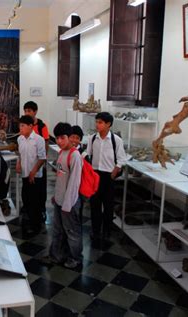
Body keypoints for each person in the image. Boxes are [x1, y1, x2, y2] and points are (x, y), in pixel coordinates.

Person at [47, 122, 83, 269]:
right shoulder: (62, 153)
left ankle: (75, 258)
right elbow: (61, 178)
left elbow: (74, 184)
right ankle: (57, 255)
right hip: (60, 201)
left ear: (70, 138)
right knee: (58, 230)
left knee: (72, 232)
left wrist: (67, 205)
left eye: (63, 138)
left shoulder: (75, 156)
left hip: (70, 203)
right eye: (57, 138)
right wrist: (57, 197)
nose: (59, 141)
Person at [87, 112, 126, 241]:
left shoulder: (116, 140)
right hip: (95, 175)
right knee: (95, 205)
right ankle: (95, 230)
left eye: (100, 122)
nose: (97, 125)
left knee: (108, 206)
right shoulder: (92, 138)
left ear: (108, 124)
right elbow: (88, 155)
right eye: (96, 122)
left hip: (109, 177)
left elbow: (121, 159)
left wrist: (114, 173)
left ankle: (107, 231)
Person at [16, 115, 46, 236]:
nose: (21, 128)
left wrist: (34, 171)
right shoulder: (20, 139)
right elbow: (20, 153)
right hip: (25, 173)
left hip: (35, 176)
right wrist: (18, 163)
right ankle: (27, 221)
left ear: (30, 126)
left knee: (35, 201)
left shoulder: (39, 140)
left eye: (23, 126)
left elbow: (42, 158)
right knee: (26, 198)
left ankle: (36, 225)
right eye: (20, 126)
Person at [23, 101, 49, 223]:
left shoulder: (41, 126)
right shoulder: (24, 126)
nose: (27, 113)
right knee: (27, 186)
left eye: (29, 110)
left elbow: (46, 143)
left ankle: (41, 209)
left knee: (40, 188)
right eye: (25, 110)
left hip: (39, 163)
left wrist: (42, 161)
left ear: (35, 112)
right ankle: (28, 207)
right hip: (27, 163)